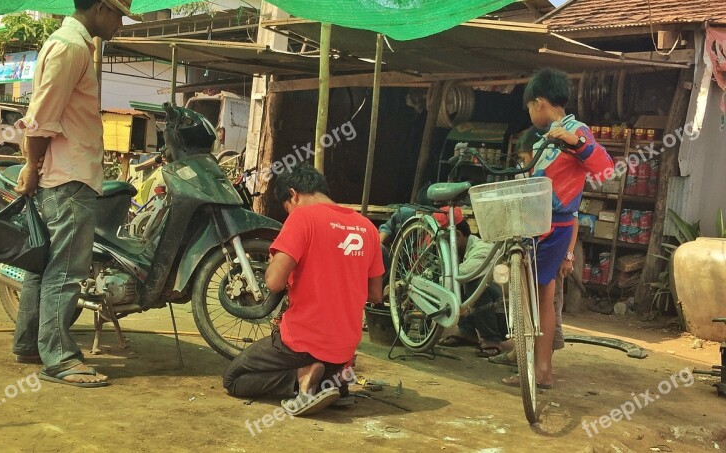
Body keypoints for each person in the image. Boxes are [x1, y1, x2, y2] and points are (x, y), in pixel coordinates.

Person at [12, 0, 141, 387]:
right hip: (68, 179)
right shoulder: (71, 48)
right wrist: (31, 167)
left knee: (43, 267)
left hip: (65, 175)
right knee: (65, 271)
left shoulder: (72, 45)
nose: (120, 24)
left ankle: (30, 344)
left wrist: (35, 167)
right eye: (119, 15)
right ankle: (59, 358)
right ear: (101, 8)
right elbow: (40, 120)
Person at [223, 163, 384, 416]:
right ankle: (332, 381)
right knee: (328, 360)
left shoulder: (303, 217)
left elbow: (274, 281)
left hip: (303, 342)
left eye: (288, 208)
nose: (289, 214)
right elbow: (375, 294)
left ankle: (302, 376)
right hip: (344, 348)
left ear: (293, 194)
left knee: (235, 378)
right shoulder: (368, 228)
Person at [500, 68, 612, 389]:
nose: (530, 114)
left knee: (543, 298)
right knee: (533, 297)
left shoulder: (574, 131)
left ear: (539, 103)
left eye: (529, 108)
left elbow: (605, 170)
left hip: (554, 228)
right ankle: (535, 367)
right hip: (532, 225)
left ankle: (543, 370)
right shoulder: (544, 138)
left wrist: (575, 142)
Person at [379, 205, 511, 356]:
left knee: (472, 282)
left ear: (458, 236)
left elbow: (457, 277)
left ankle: (491, 339)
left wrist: (412, 286)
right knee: (451, 281)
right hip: (479, 309)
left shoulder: (482, 250)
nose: (437, 245)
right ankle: (467, 332)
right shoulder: (451, 254)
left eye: (443, 240)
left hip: (502, 316)